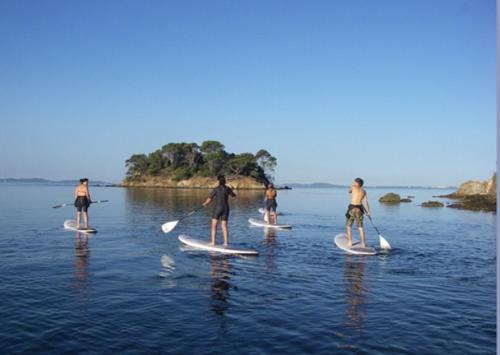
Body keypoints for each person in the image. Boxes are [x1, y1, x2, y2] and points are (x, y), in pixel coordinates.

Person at [203, 175, 236, 246]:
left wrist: (205, 203)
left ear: (218, 181)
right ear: (224, 181)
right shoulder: (228, 189)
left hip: (217, 208)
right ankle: (226, 243)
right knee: (224, 226)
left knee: (214, 226)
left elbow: (210, 199)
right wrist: (231, 190)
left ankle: (213, 242)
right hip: (226, 209)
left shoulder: (216, 189)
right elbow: (234, 196)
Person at [345, 177, 371, 248]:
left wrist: (352, 187)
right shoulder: (364, 191)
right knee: (360, 227)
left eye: (354, 182)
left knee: (349, 226)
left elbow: (349, 191)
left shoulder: (353, 187)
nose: (353, 183)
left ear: (357, 183)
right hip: (359, 209)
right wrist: (368, 212)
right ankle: (363, 243)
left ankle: (350, 242)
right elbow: (366, 203)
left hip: (352, 208)